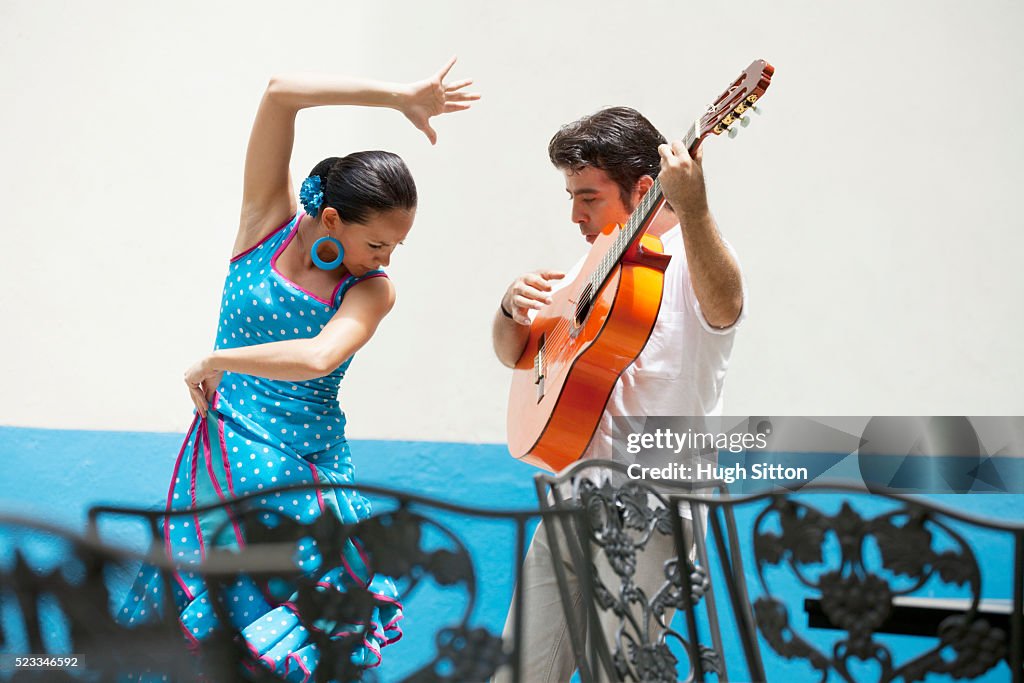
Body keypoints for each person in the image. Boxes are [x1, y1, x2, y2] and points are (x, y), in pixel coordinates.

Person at [116, 59, 479, 678]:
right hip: (223, 466)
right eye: (378, 244)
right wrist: (397, 96)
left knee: (296, 644)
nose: (387, 258)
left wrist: (215, 359)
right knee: (202, 640)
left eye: (396, 247)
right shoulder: (266, 226)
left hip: (307, 476)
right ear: (333, 219)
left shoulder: (371, 291)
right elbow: (281, 94)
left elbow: (316, 357)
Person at [491, 106, 745, 682]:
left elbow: (726, 306)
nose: (575, 214)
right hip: (571, 496)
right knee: (517, 672)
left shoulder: (696, 260)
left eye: (589, 197)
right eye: (571, 195)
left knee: (624, 673)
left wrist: (697, 208)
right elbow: (519, 353)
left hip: (653, 508)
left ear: (645, 188)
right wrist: (508, 307)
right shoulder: (596, 259)